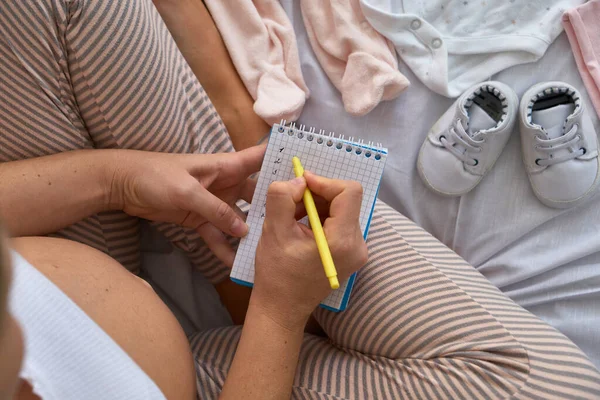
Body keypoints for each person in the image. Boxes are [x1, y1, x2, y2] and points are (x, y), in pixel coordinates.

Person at [1, 1, 600, 399]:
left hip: (80, 232)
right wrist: (277, 313)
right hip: (201, 381)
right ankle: (244, 172)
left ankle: (239, 134)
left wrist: (116, 179)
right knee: (556, 389)